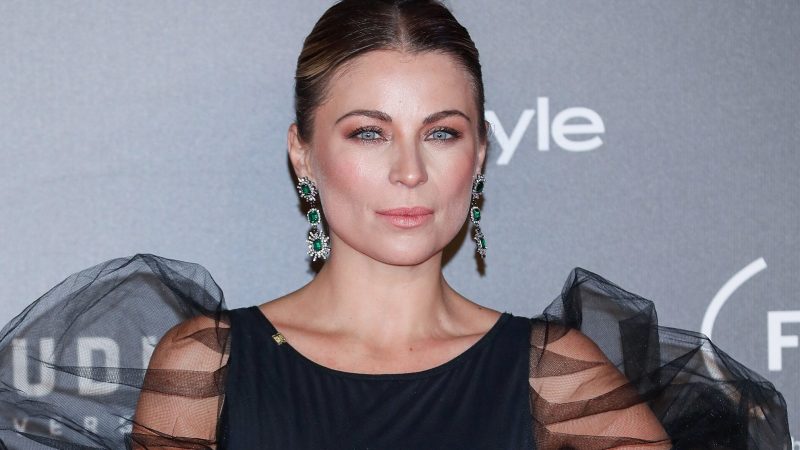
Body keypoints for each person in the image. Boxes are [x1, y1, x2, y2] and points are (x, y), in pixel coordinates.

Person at [0, 0, 790, 448]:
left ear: (479, 155)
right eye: (368, 133)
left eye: (441, 132)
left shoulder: (557, 375)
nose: (410, 170)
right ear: (303, 153)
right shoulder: (207, 365)